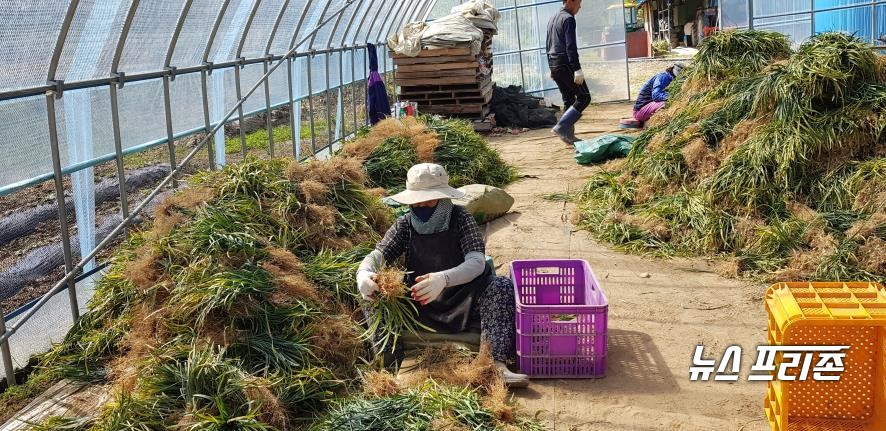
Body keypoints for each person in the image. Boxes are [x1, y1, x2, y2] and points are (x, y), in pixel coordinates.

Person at [356, 163, 530, 387]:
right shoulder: (405, 225)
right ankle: (388, 363)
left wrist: (443, 279)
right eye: (416, 202)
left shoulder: (460, 218)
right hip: (422, 299)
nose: (421, 207)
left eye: (428, 202)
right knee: (373, 294)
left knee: (502, 287)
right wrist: (364, 273)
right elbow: (378, 254)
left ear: (444, 199)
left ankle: (495, 365)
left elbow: (476, 262)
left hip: (464, 298)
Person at [546, 0, 591, 145]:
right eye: (578, 2)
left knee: (569, 99)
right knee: (584, 97)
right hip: (565, 64)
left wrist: (551, 68)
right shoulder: (569, 19)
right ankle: (561, 127)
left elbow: (547, 45)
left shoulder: (553, 18)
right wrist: (576, 68)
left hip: (554, 63)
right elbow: (570, 46)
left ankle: (568, 136)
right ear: (570, 1)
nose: (580, 6)